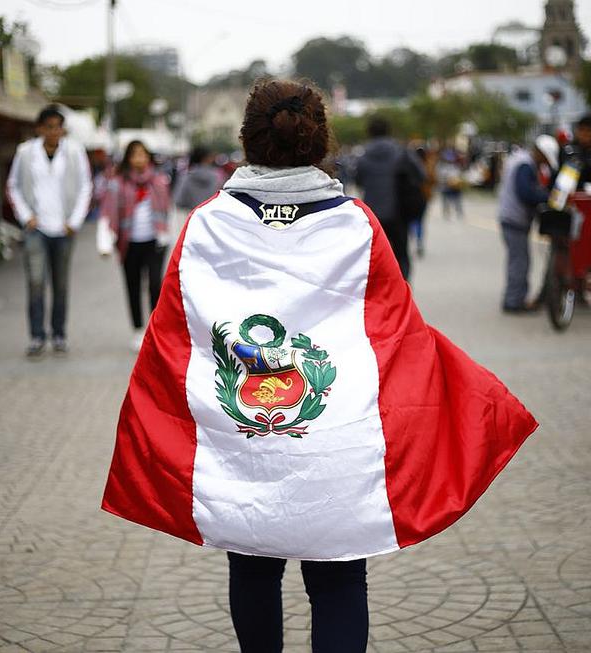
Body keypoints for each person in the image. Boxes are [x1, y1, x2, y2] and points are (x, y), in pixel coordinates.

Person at [101, 79, 537, 653]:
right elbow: (399, 336)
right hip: (337, 438)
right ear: (319, 140)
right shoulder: (355, 224)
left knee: (254, 568)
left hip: (243, 436)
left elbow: (175, 338)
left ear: (248, 139)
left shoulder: (207, 224)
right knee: (337, 579)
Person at [7, 105, 92, 357]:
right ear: (39, 128)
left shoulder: (75, 152)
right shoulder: (25, 152)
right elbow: (13, 186)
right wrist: (26, 216)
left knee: (60, 283)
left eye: (58, 127)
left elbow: (85, 186)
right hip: (36, 228)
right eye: (49, 127)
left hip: (64, 229)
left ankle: (58, 333)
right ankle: (36, 335)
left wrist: (74, 221)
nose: (54, 132)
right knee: (35, 282)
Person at [100, 140, 171, 352]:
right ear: (128, 159)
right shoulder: (118, 183)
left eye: (143, 154)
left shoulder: (159, 180)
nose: (139, 159)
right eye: (135, 155)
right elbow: (108, 211)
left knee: (155, 286)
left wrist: (167, 234)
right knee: (133, 285)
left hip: (155, 241)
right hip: (129, 242)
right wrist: (106, 238)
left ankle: (155, 329)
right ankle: (138, 329)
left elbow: (168, 208)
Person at [496, 135, 560, 313]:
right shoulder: (525, 165)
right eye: (545, 159)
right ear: (540, 153)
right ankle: (514, 302)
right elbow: (525, 193)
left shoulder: (520, 159)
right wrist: (550, 198)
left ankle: (514, 298)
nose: (544, 164)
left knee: (517, 261)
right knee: (520, 262)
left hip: (510, 218)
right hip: (514, 220)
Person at [355, 116, 423, 280]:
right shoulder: (401, 152)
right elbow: (421, 175)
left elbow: (358, 180)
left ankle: (382, 296)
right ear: (388, 131)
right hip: (398, 211)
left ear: (369, 133)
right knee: (401, 255)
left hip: (373, 215)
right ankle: (404, 293)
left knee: (377, 258)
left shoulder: (363, 157)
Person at [173, 145, 224, 212]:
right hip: (211, 215)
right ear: (206, 158)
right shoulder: (216, 176)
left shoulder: (187, 176)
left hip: (192, 215)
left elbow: (179, 201)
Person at [438, 147, 465, 219]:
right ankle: (446, 213)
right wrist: (447, 180)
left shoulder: (455, 167)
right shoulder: (442, 167)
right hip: (446, 187)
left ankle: (459, 213)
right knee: (446, 201)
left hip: (455, 187)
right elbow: (440, 177)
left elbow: (459, 175)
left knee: (457, 201)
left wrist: (456, 181)